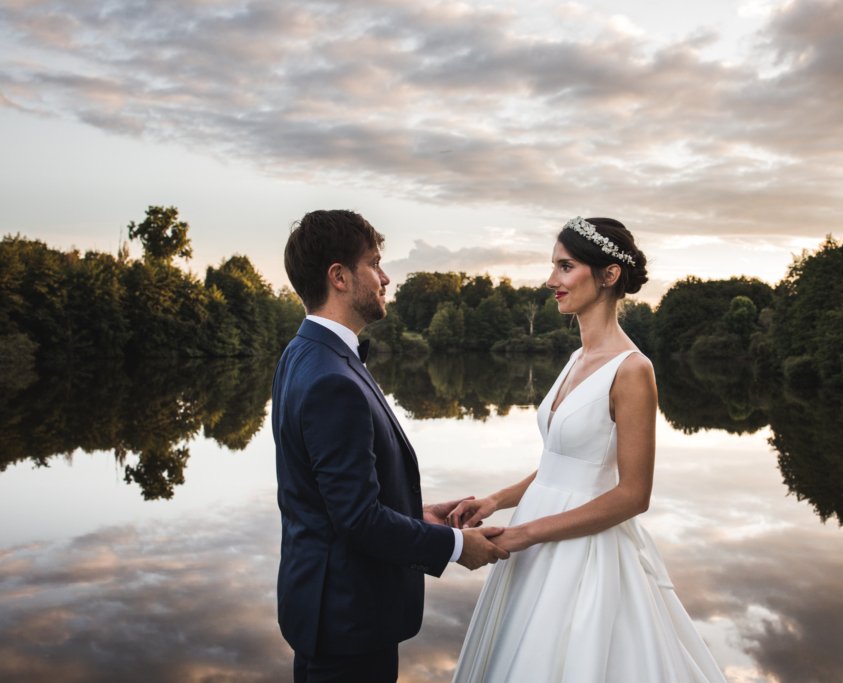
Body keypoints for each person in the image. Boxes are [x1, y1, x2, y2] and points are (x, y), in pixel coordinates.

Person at [447, 217, 727, 682]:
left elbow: (634, 495)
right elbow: (563, 464)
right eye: (553, 267)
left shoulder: (633, 370)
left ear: (609, 275)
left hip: (581, 550)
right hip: (534, 538)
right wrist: (496, 500)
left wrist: (524, 534)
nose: (551, 281)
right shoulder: (576, 358)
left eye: (565, 266)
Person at [272, 209, 508, 683]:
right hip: (347, 621)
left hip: (332, 612)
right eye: (374, 264)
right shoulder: (331, 378)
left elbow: (336, 502)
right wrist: (458, 546)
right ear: (339, 276)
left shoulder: (306, 353)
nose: (385, 278)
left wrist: (416, 513)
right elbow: (358, 520)